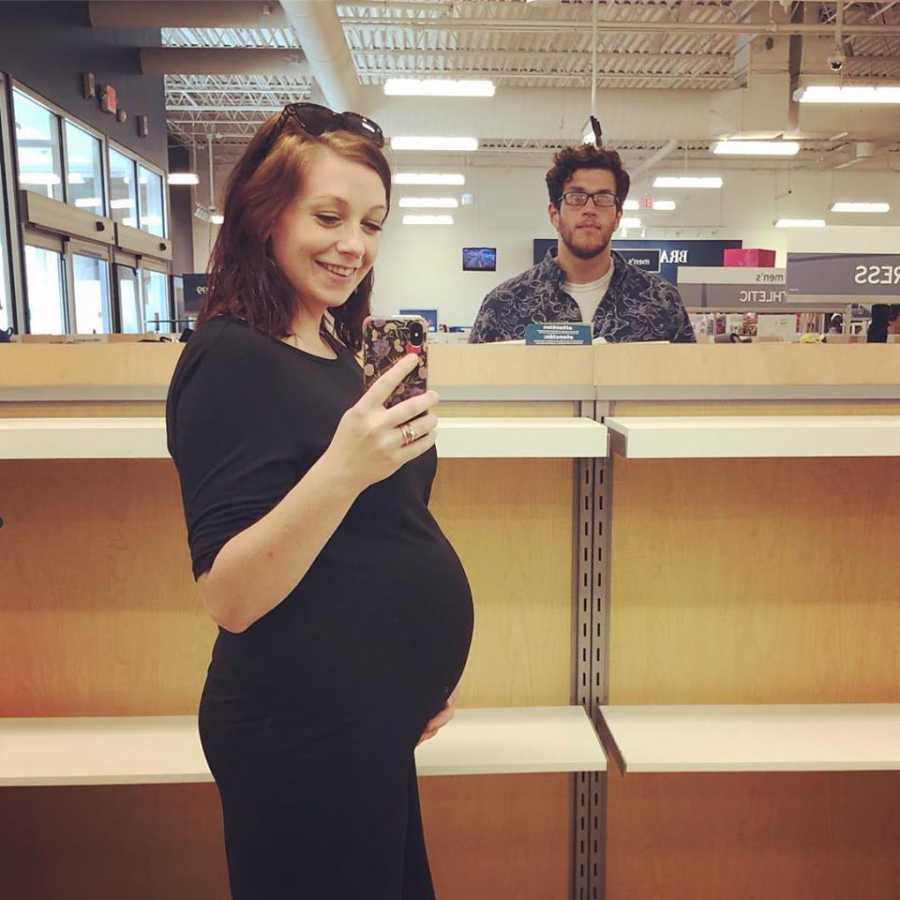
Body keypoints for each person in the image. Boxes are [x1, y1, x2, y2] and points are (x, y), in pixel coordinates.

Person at [165, 103, 474, 900]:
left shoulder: (337, 348)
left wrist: (413, 672)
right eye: (329, 216)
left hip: (364, 721)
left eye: (372, 223)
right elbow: (229, 594)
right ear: (266, 216)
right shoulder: (229, 357)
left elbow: (382, 535)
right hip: (295, 733)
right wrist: (346, 465)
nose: (353, 245)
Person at [468, 144, 695, 343]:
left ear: (617, 216)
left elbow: (689, 387)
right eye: (576, 198)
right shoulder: (503, 305)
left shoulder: (662, 302)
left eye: (603, 199)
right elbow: (475, 386)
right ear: (554, 214)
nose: (590, 209)